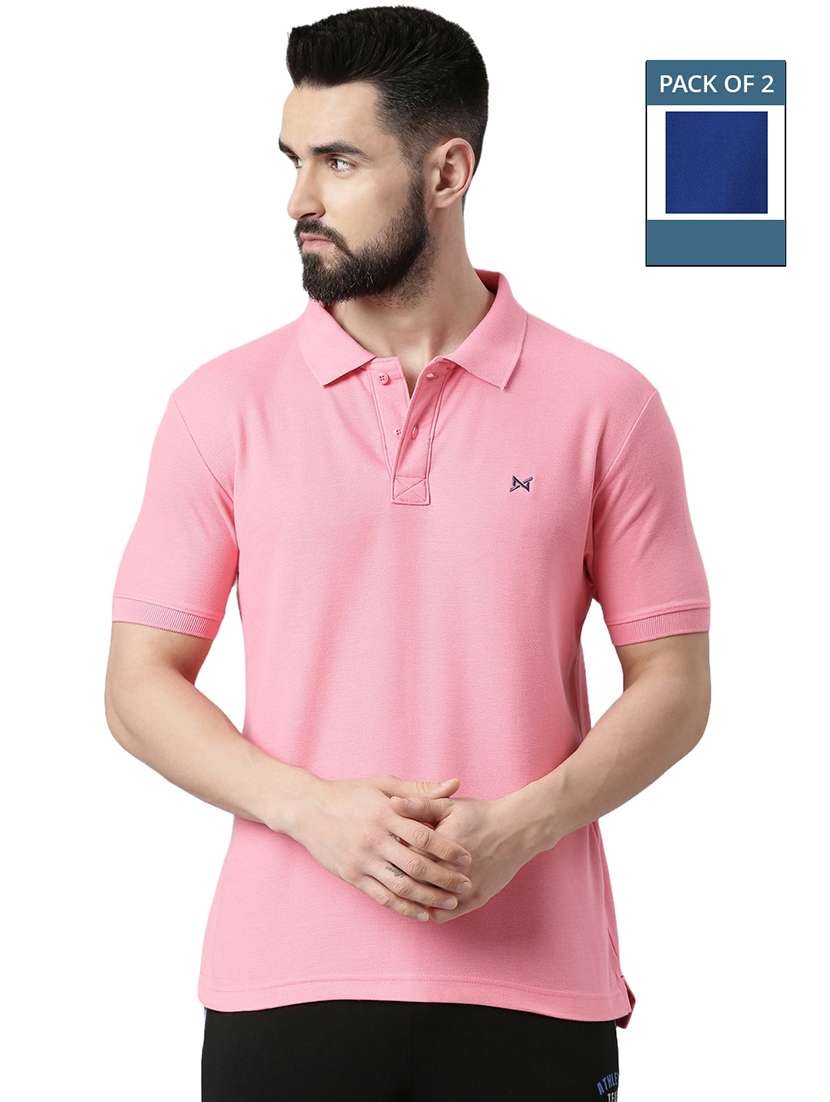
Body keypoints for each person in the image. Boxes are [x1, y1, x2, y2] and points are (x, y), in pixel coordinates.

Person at [105, 6, 711, 1100]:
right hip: (284, 983)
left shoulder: (606, 406)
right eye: (293, 160)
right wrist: (310, 810)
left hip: (537, 987)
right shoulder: (220, 407)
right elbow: (139, 684)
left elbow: (673, 685)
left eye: (338, 161)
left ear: (447, 173)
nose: (299, 198)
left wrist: (520, 827)